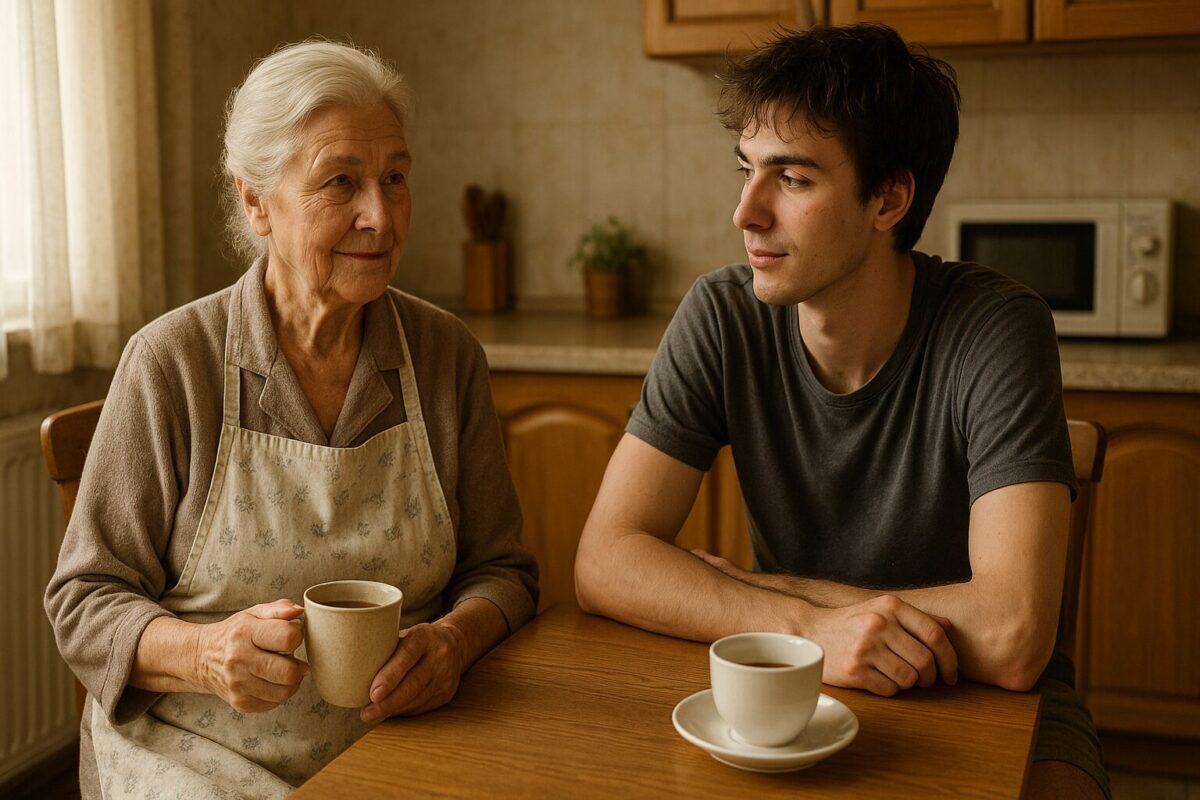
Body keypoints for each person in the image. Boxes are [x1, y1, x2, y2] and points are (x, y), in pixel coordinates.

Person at [574, 23, 1108, 799]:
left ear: (889, 198)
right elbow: (604, 562)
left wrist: (778, 597)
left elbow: (1014, 636)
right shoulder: (721, 315)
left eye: (791, 179)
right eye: (746, 170)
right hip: (791, 687)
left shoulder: (995, 326)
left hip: (992, 700)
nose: (746, 213)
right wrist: (811, 628)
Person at [44, 40, 538, 799]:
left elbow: (501, 572)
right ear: (255, 202)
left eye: (395, 178)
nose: (379, 215)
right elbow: (83, 601)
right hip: (198, 753)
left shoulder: (445, 358)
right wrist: (206, 653)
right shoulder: (172, 363)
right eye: (340, 182)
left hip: (400, 746)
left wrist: (451, 642)